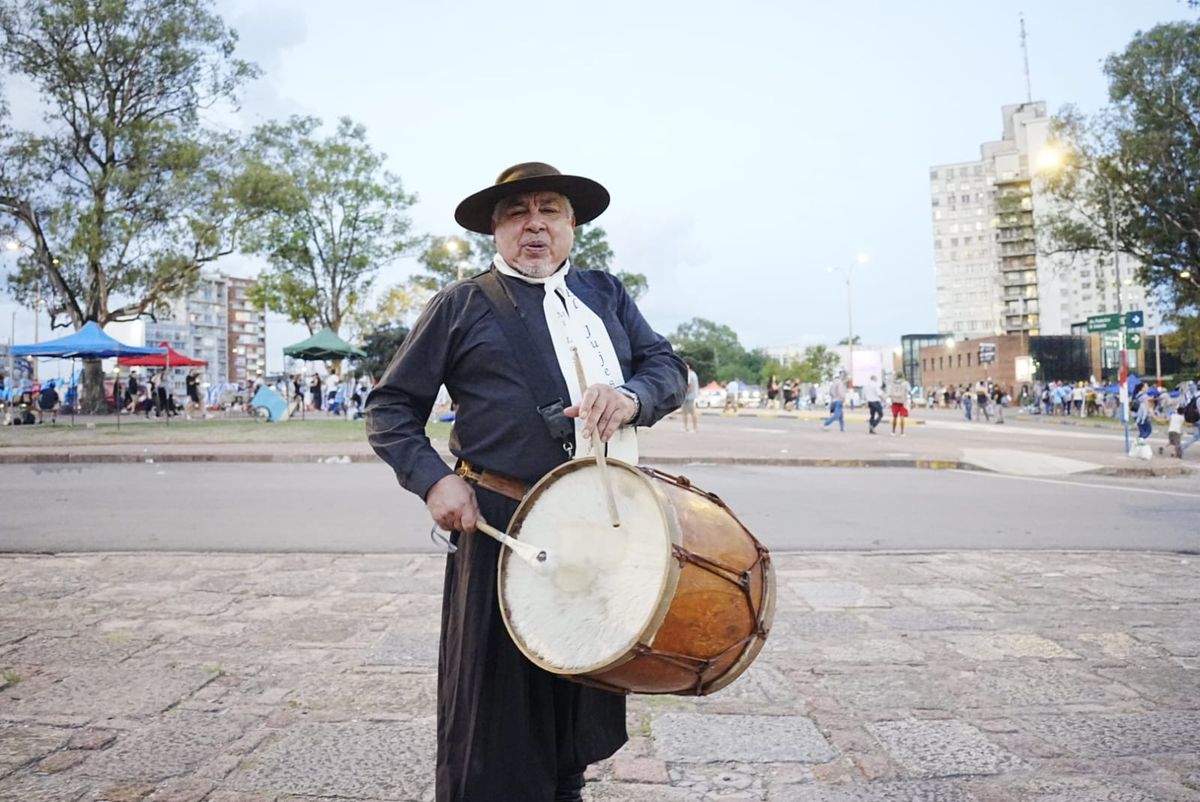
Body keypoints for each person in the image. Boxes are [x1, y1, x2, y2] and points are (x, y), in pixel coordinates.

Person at [364, 161, 687, 802]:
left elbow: (666, 367)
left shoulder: (605, 296)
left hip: (599, 524)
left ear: (572, 226)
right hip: (501, 528)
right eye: (517, 212)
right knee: (495, 717)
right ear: (496, 230)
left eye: (549, 211)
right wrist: (433, 481)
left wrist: (630, 397)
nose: (534, 224)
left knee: (578, 696)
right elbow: (390, 409)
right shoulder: (461, 304)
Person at [682, 363, 700, 432]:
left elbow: (689, 386)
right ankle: (686, 427)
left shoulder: (689, 374)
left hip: (688, 396)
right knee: (685, 412)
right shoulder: (694, 374)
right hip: (691, 396)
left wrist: (683, 393)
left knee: (690, 412)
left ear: (689, 366)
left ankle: (693, 428)